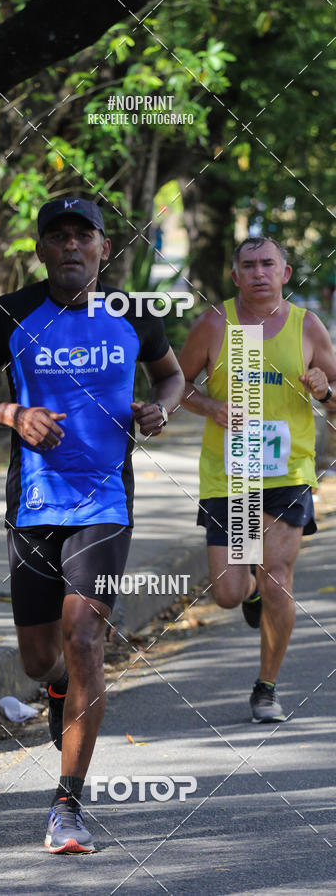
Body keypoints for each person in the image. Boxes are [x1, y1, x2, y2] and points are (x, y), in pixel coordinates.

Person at [0, 196, 184, 853]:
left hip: (105, 500)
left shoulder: (133, 312)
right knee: (39, 659)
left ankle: (67, 805)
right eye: (60, 237)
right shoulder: (11, 314)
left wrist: (160, 410)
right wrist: (10, 415)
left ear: (104, 250)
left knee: (85, 637)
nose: (73, 247)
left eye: (85, 237)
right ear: (43, 250)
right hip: (33, 503)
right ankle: (54, 687)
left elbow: (170, 377)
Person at [179, 236, 336, 722]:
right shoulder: (214, 323)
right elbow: (174, 386)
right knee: (228, 592)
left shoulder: (306, 325)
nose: (259, 273)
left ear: (285, 273)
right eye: (248, 265)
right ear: (235, 276)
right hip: (231, 473)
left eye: (269, 264)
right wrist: (211, 406)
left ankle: (266, 687)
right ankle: (245, 593)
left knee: (278, 581)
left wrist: (325, 388)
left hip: (287, 472)